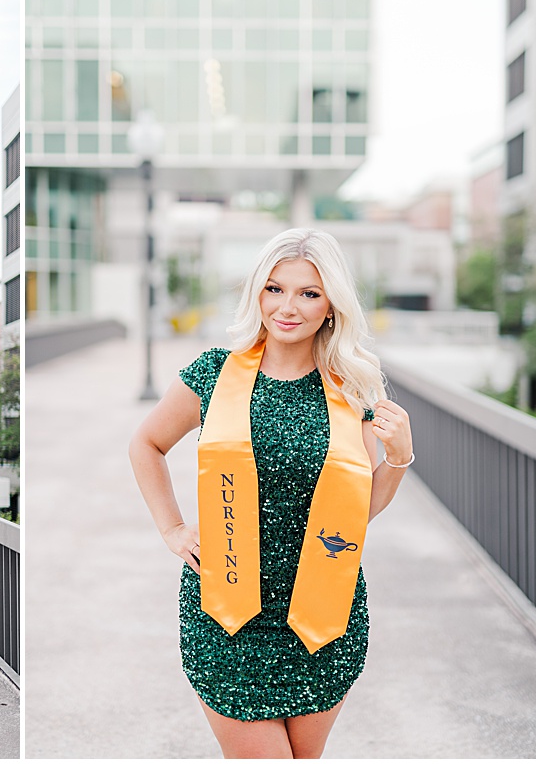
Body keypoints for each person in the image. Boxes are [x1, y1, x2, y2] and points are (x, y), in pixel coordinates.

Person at [129, 228, 416, 758]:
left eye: (309, 293)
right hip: (228, 612)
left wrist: (398, 458)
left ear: (331, 305)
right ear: (256, 293)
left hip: (324, 612)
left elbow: (360, 510)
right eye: (275, 288)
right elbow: (146, 443)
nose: (288, 307)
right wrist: (172, 528)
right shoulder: (214, 374)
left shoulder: (352, 385)